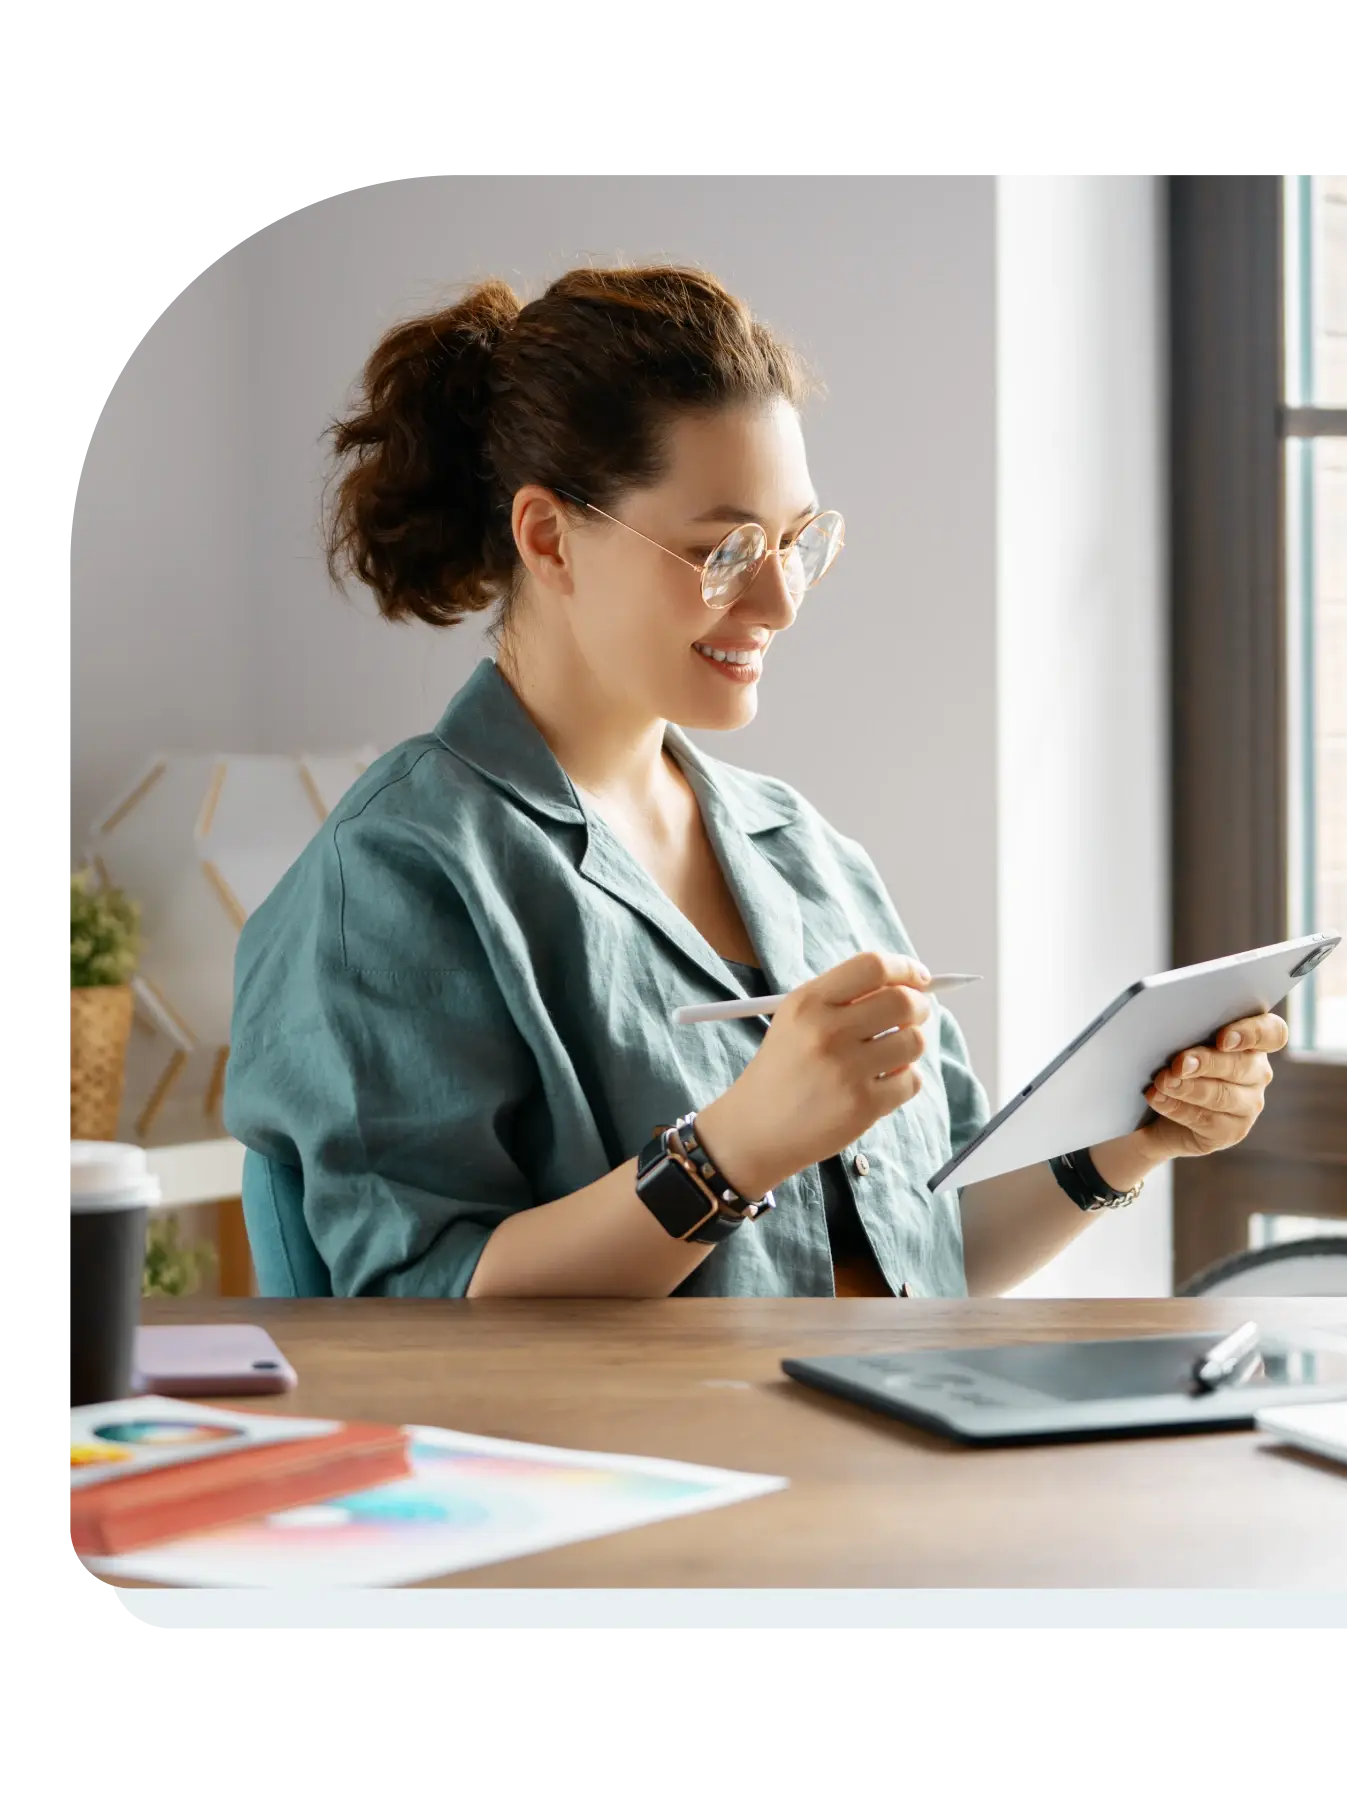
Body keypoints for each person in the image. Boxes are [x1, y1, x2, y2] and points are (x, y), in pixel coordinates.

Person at [224, 264, 1287, 1300]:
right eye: (726, 548)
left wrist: (1128, 1139)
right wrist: (732, 1149)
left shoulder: (805, 852)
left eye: (794, 542)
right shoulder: (397, 872)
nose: (778, 600)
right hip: (650, 1474)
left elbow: (937, 1252)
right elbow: (420, 1312)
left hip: (893, 1448)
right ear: (550, 539)